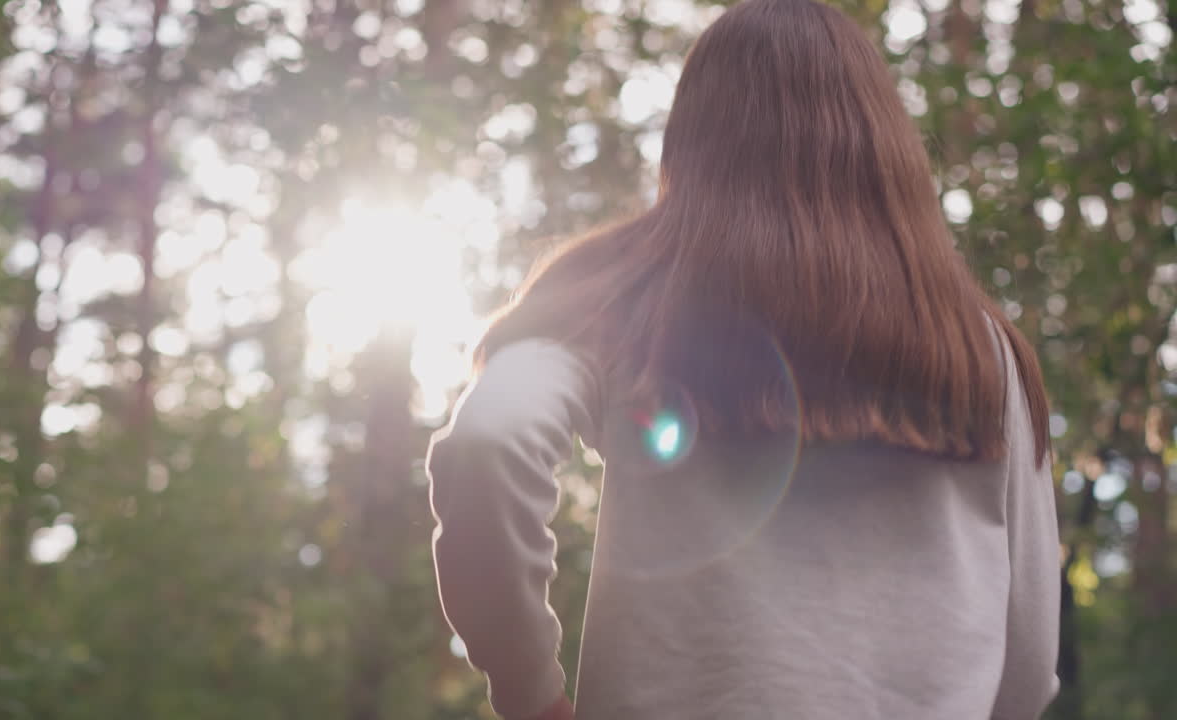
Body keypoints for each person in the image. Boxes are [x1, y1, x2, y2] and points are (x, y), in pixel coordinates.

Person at [425, 0, 1061, 718]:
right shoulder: (981, 350)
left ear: (692, 142)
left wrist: (530, 696)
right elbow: (1030, 665)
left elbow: (490, 438)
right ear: (885, 145)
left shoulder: (623, 301)